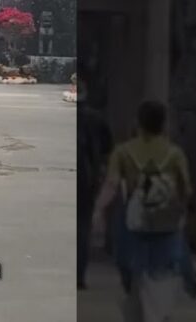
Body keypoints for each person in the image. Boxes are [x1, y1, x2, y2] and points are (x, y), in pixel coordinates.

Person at [91, 100, 196, 321]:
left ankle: (138, 301)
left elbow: (112, 184)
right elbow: (186, 189)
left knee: (130, 264)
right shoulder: (175, 153)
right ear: (164, 124)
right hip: (166, 221)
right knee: (164, 267)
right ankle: (160, 308)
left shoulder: (123, 152)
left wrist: (98, 210)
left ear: (137, 122)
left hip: (134, 220)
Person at [78, 104, 113, 290]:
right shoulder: (95, 118)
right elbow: (108, 149)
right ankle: (78, 276)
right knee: (82, 227)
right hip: (87, 178)